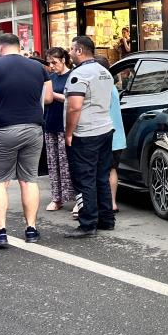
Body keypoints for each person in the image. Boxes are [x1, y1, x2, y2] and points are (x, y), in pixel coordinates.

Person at [0, 33, 53, 247]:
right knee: (29, 180)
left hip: (3, 129)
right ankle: (31, 229)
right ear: (20, 46)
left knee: (0, 182)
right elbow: (48, 98)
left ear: (0, 47)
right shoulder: (38, 68)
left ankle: (0, 232)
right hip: (33, 128)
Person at [64, 36, 114, 238]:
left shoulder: (80, 73)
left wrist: (69, 132)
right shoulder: (104, 71)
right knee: (101, 177)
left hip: (85, 133)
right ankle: (106, 219)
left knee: (84, 178)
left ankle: (87, 223)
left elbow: (74, 107)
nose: (69, 53)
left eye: (71, 49)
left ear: (79, 50)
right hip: (104, 129)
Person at [44, 47, 74, 210]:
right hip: (50, 122)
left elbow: (71, 99)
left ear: (63, 60)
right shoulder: (51, 77)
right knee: (53, 163)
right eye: (49, 63)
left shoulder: (72, 76)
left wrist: (52, 95)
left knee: (67, 162)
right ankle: (57, 197)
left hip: (65, 124)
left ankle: (75, 197)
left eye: (54, 62)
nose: (52, 66)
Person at [95, 56, 126, 213]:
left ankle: (102, 203)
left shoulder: (100, 88)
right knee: (112, 169)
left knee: (100, 170)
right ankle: (112, 203)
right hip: (117, 136)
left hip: (104, 134)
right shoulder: (112, 87)